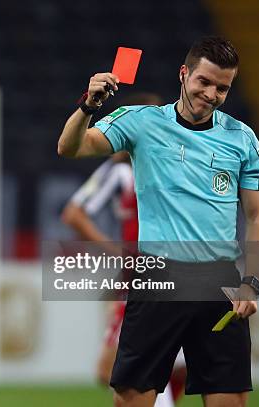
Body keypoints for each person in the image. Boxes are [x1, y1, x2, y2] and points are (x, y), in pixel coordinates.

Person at [57, 36, 259, 407]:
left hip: (218, 281)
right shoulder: (141, 122)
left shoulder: (241, 138)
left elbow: (257, 216)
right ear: (184, 74)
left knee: (230, 400)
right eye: (204, 81)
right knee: (131, 398)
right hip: (158, 275)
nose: (211, 93)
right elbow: (70, 147)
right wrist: (88, 105)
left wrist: (251, 282)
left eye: (222, 87)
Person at [62, 95, 186, 407]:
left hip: (166, 275)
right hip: (136, 275)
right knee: (116, 372)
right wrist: (116, 251)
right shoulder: (120, 171)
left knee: (122, 370)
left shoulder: (174, 165)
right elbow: (73, 213)